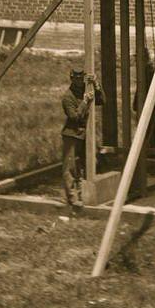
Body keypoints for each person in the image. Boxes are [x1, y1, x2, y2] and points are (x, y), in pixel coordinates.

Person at [61, 69, 102, 212]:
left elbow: (101, 100)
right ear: (72, 79)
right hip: (71, 135)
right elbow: (74, 117)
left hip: (83, 135)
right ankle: (72, 199)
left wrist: (96, 85)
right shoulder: (68, 97)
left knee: (81, 165)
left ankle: (81, 195)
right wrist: (85, 102)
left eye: (81, 79)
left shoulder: (85, 90)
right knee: (70, 167)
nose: (79, 81)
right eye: (76, 79)